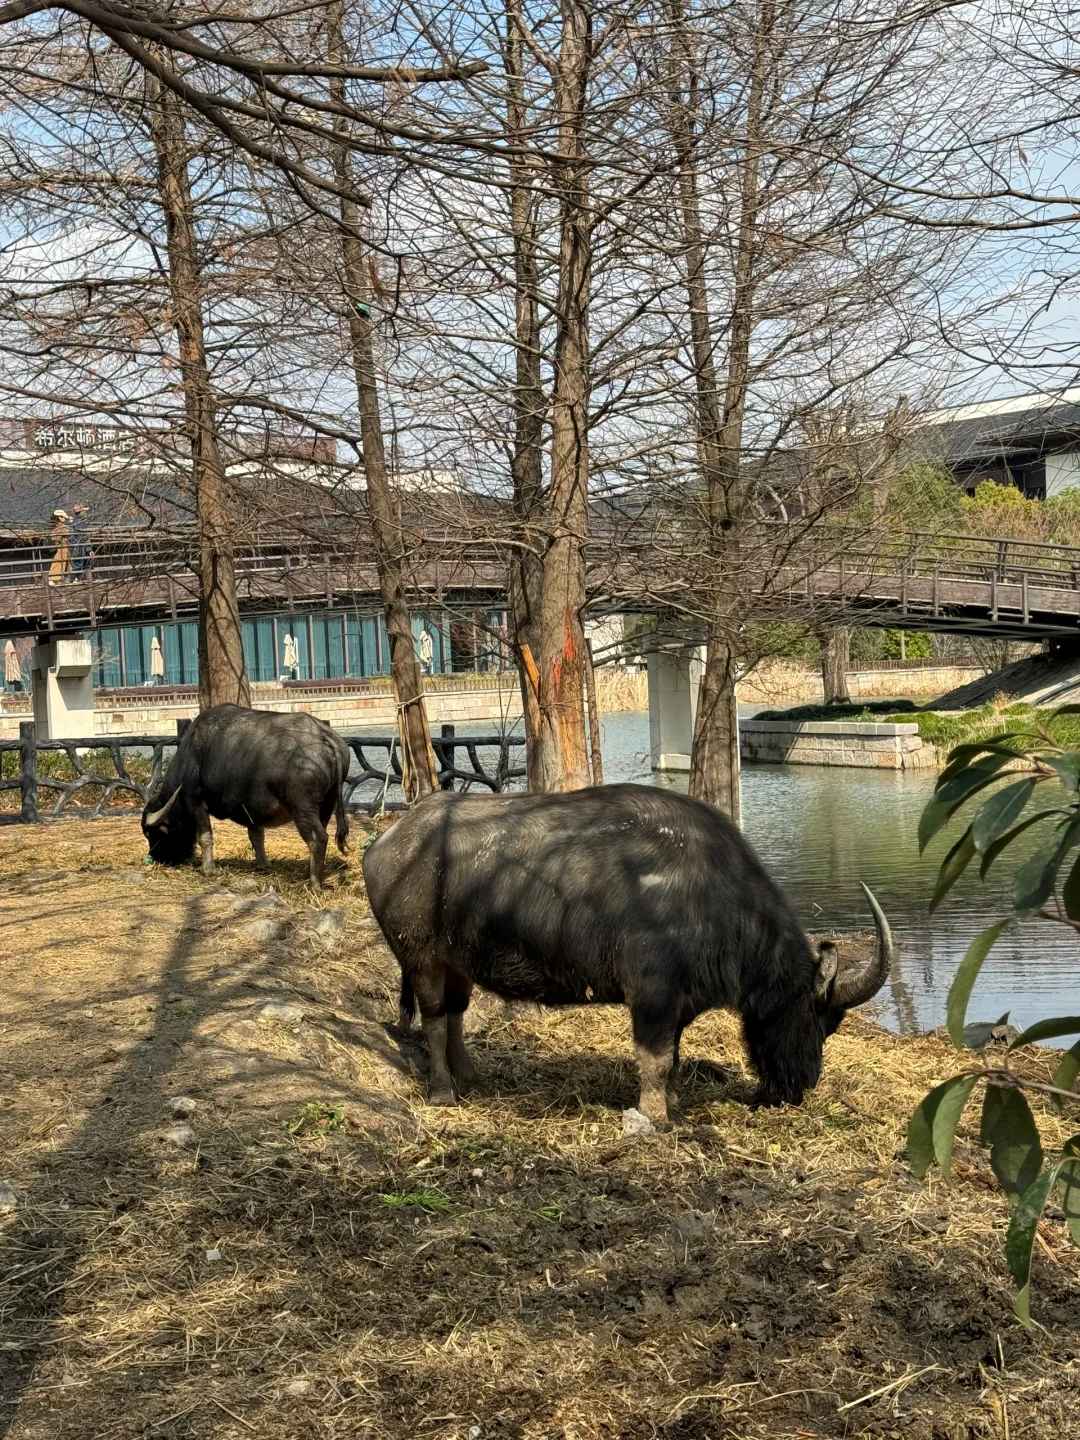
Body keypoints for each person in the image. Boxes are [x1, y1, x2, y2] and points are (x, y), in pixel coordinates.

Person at [47, 510, 71, 585]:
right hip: (63, 546)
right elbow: (56, 537)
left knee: (65, 562)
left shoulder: (56, 526)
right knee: (59, 561)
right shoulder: (61, 527)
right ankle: (53, 578)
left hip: (63, 546)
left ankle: (63, 577)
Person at [70, 502, 90, 577]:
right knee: (78, 566)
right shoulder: (79, 521)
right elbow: (82, 536)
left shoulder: (76, 520)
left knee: (81, 565)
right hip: (79, 547)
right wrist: (89, 549)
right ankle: (70, 580)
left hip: (78, 546)